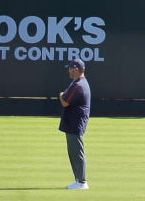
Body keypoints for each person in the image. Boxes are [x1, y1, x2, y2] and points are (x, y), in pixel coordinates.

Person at [58, 57, 91, 190]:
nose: (69, 71)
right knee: (73, 152)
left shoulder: (78, 85)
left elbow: (65, 101)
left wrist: (60, 95)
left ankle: (82, 181)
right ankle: (78, 180)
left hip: (75, 123)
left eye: (71, 69)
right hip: (72, 122)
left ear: (76, 69)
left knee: (77, 152)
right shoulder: (76, 82)